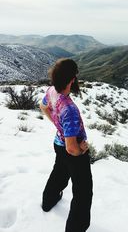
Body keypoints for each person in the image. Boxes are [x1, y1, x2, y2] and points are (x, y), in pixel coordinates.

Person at [40, 58, 93, 232]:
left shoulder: (51, 91)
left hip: (58, 143)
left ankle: (48, 201)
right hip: (71, 150)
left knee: (59, 173)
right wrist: (82, 149)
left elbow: (43, 107)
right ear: (71, 79)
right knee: (83, 192)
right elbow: (72, 148)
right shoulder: (69, 109)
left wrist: (58, 126)